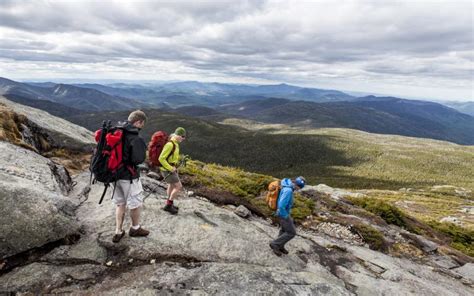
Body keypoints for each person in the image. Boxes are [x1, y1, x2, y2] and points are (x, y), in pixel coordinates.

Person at [112, 110, 149, 243]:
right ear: (139, 121)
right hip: (128, 176)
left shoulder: (116, 131)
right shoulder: (135, 137)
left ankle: (118, 231)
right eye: (142, 124)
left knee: (120, 203)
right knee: (135, 203)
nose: (142, 126)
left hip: (114, 174)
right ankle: (135, 228)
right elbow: (138, 159)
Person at [269, 176, 306, 256]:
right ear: (297, 185)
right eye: (299, 188)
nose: (298, 190)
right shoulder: (288, 190)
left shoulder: (287, 186)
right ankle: (275, 244)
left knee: (284, 229)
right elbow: (281, 205)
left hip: (282, 212)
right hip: (282, 213)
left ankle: (280, 245)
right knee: (291, 232)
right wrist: (285, 215)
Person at [159, 127, 186, 215]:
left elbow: (171, 157)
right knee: (178, 186)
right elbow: (161, 158)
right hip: (167, 169)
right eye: (182, 136)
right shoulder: (170, 144)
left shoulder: (175, 143)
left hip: (170, 168)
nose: (183, 138)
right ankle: (168, 205)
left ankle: (169, 203)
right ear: (177, 135)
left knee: (171, 185)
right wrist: (170, 168)